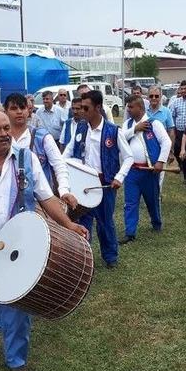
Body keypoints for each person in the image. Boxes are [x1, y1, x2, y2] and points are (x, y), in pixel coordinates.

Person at [0, 109, 88, 371]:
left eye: (6, 128)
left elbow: (46, 197)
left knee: (16, 307)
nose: (3, 134)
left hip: (20, 248)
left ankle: (16, 359)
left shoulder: (27, 158)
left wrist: (68, 225)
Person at [63, 90, 133, 269]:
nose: (82, 112)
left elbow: (129, 157)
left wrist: (119, 178)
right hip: (82, 183)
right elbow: (68, 153)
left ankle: (110, 257)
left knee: (105, 222)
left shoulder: (112, 131)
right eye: (80, 108)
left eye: (86, 108)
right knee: (81, 221)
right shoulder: (80, 128)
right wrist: (65, 169)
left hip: (104, 184)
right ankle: (84, 259)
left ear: (98, 108)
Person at [2, 93, 77, 208]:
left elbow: (59, 165)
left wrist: (63, 190)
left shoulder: (42, 137)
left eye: (22, 108)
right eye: (14, 108)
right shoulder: (1, 139)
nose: (19, 112)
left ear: (28, 111)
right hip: (8, 202)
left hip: (41, 202)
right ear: (5, 112)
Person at [120, 94, 171, 243]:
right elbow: (122, 139)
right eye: (127, 106)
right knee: (130, 202)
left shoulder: (154, 123)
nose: (128, 110)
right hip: (132, 171)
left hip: (150, 171)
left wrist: (160, 161)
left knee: (152, 201)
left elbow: (166, 142)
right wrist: (135, 129)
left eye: (131, 107)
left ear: (140, 108)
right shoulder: (128, 124)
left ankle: (156, 223)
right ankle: (130, 232)